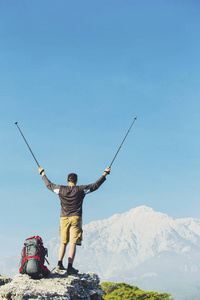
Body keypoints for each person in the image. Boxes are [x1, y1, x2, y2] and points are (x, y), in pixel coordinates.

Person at [39, 166, 110, 275]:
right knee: (72, 242)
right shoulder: (81, 189)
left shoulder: (60, 189)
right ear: (76, 181)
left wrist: (42, 174)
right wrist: (105, 174)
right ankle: (70, 266)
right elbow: (95, 186)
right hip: (76, 218)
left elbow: (49, 185)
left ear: (67, 181)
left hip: (63, 218)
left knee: (63, 241)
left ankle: (59, 264)